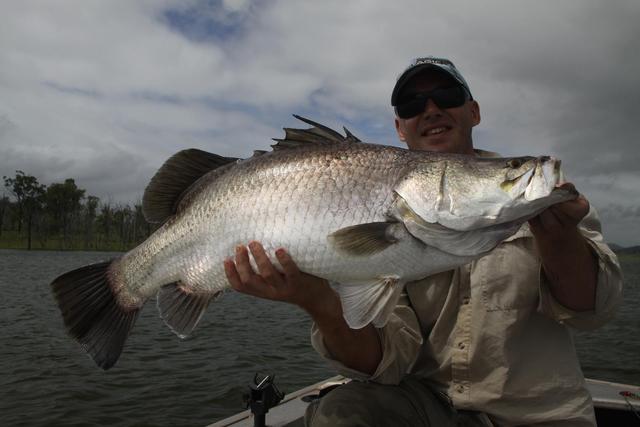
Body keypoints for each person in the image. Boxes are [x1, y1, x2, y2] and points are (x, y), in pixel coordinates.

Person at [223, 57, 623, 426]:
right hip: (428, 407)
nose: (430, 109)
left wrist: (559, 242)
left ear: (474, 111)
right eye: (411, 105)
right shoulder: (383, 205)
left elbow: (592, 311)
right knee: (341, 413)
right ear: (399, 127)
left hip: (539, 415)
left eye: (447, 96)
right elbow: (385, 362)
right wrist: (315, 299)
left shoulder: (547, 203)